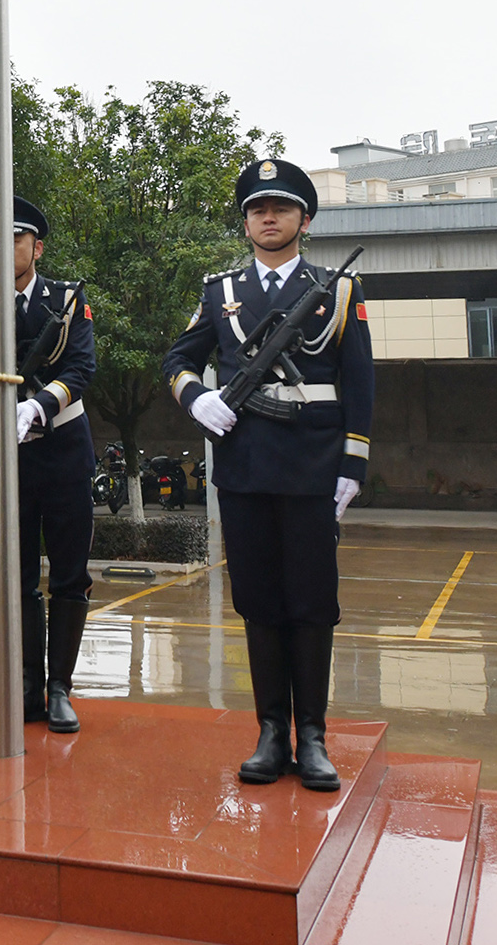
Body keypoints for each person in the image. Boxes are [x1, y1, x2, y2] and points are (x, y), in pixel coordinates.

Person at [162, 158, 372, 792]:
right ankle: (269, 732)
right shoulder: (220, 292)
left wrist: (353, 463)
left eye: (280, 208)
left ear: (304, 220)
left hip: (312, 470)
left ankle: (312, 736)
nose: (268, 217)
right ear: (247, 221)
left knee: (310, 603)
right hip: (247, 466)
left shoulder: (336, 291)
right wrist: (196, 396)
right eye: (258, 209)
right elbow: (178, 358)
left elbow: (359, 381)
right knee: (256, 603)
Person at [12, 197, 97, 734]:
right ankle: (26, 684)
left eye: (17, 238)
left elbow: (83, 366)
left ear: (36, 247)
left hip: (62, 448)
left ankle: (60, 686)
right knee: (17, 577)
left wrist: (41, 403)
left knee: (69, 574)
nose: (7, 247)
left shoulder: (66, 300)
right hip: (6, 456)